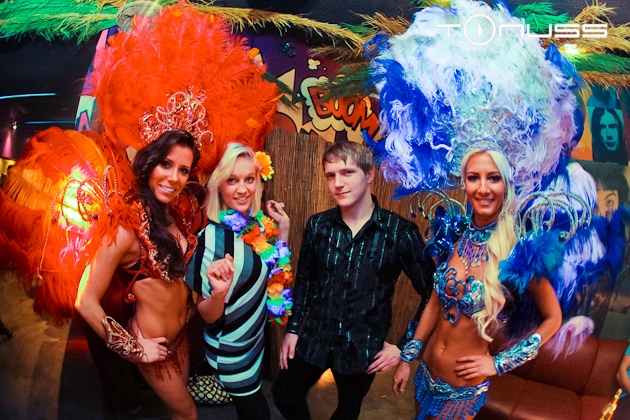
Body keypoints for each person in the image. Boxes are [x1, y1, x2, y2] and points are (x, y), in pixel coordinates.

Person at [392, 148, 563, 419]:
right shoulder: (454, 234)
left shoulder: (518, 250)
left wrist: (500, 363)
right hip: (426, 369)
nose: (483, 188)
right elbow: (434, 305)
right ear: (464, 183)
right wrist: (408, 356)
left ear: (506, 184)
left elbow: (553, 318)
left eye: (493, 178)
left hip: (461, 386)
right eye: (474, 178)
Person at [272, 141, 435, 420]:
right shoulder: (318, 225)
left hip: (362, 347)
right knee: (284, 394)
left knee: (347, 411)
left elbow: (432, 292)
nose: (337, 183)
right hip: (316, 338)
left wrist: (404, 346)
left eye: (347, 172)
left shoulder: (399, 232)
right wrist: (294, 329)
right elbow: (306, 280)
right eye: (330, 175)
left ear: (369, 174)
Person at [75, 130, 200, 420]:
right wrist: (132, 348)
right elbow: (84, 300)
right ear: (149, 163)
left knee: (176, 411)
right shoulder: (124, 228)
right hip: (153, 346)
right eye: (166, 164)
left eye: (183, 170)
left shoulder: (173, 214)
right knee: (188, 414)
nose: (174, 178)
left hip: (180, 339)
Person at [186, 142, 290, 420]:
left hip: (253, 343)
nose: (242, 189)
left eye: (249, 179)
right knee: (258, 414)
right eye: (232, 180)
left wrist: (284, 230)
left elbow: (275, 272)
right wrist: (219, 293)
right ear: (218, 185)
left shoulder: (256, 224)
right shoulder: (210, 241)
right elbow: (207, 314)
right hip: (230, 352)